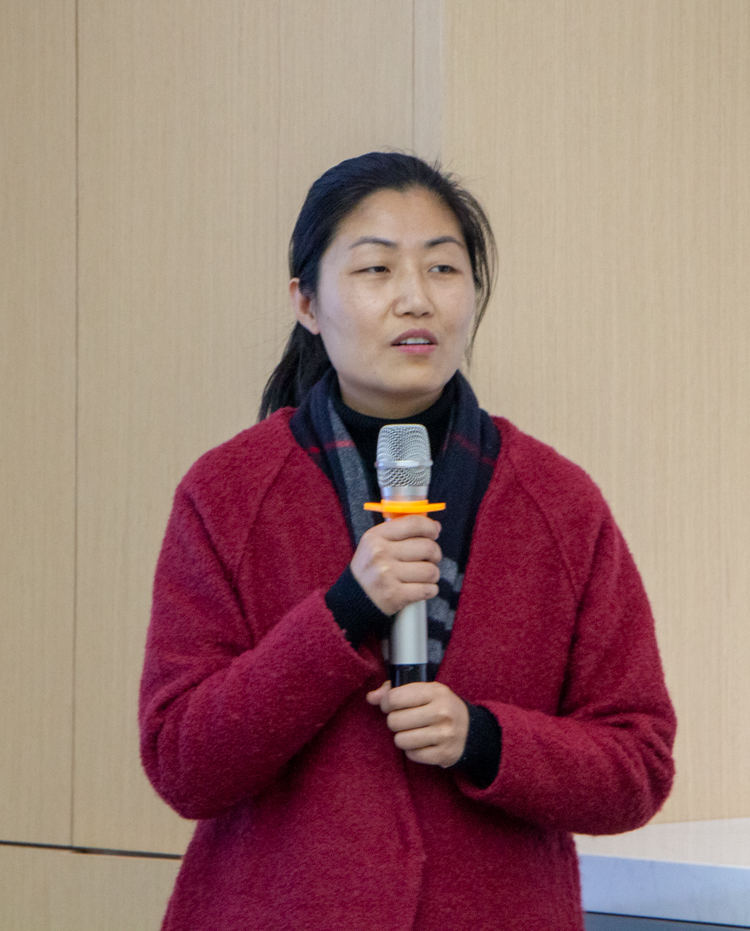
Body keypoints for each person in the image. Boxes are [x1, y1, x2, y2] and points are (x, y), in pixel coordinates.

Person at [139, 152, 676, 931]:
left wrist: (485, 739)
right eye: (376, 269)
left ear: (474, 293)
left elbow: (638, 764)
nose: (415, 298)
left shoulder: (558, 502)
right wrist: (342, 612)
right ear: (306, 302)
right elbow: (183, 762)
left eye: (443, 268)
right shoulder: (227, 493)